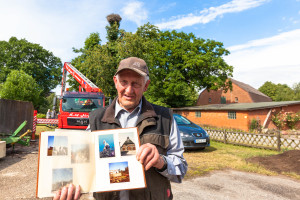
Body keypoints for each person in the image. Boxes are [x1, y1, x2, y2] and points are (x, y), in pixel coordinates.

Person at [54, 57, 188, 200]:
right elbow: (81, 162)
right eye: (124, 82)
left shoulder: (165, 118)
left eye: (136, 84)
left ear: (146, 86)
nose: (129, 90)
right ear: (115, 82)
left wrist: (160, 161)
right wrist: (71, 186)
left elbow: (181, 169)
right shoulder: (96, 119)